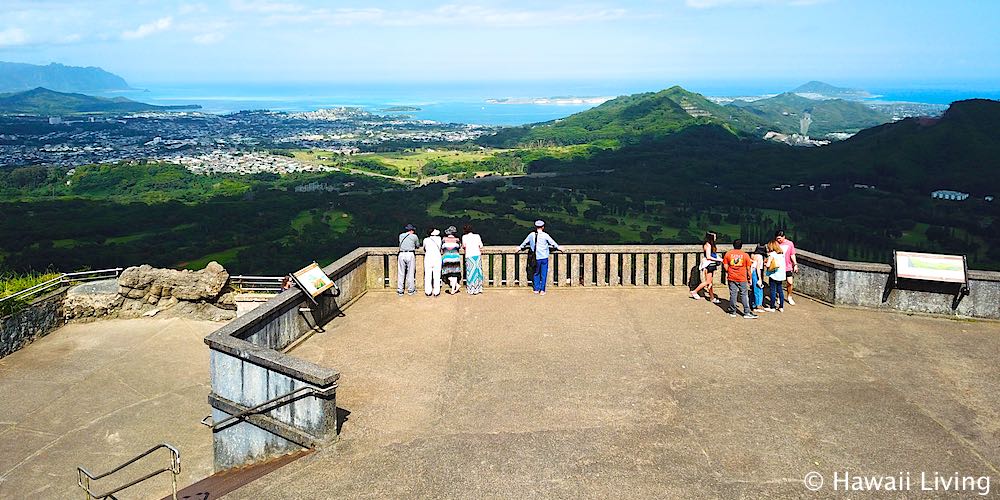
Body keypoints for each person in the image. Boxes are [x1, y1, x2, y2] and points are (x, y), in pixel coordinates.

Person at [519, 220, 561, 295]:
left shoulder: (531, 235)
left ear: (536, 227)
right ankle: (542, 290)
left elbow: (524, 243)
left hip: (535, 257)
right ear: (543, 227)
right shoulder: (545, 235)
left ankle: (536, 289)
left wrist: (519, 248)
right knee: (543, 274)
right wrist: (559, 247)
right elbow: (553, 243)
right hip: (544, 257)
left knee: (536, 273)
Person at [723, 239, 757, 319]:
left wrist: (729, 271)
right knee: (744, 294)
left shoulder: (728, 254)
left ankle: (733, 311)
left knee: (733, 294)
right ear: (741, 246)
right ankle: (746, 312)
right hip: (742, 277)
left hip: (731, 277)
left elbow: (725, 265)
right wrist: (750, 278)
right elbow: (748, 268)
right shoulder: (745, 255)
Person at [690, 232, 723, 303]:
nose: (715, 238)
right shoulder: (708, 245)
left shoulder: (710, 244)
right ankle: (694, 291)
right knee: (708, 281)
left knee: (710, 282)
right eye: (714, 236)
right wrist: (719, 259)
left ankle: (712, 297)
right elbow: (708, 257)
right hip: (709, 264)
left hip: (711, 264)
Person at [775, 230, 799, 305]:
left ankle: (789, 296)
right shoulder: (775, 244)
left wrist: (795, 264)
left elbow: (792, 254)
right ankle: (779, 297)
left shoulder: (789, 244)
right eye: (777, 238)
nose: (778, 240)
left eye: (780, 238)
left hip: (787, 266)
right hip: (778, 266)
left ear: (783, 237)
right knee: (779, 283)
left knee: (790, 282)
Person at [764, 239, 787, 312]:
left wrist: (764, 264)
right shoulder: (781, 254)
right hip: (781, 275)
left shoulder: (772, 255)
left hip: (774, 275)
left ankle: (772, 307)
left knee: (773, 290)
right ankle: (781, 307)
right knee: (780, 290)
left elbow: (768, 265)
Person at [397, 223, 420, 296]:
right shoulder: (414, 236)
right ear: (411, 230)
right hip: (410, 254)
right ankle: (411, 290)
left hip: (401, 254)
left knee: (401, 272)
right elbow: (417, 245)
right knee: (410, 272)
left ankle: (400, 290)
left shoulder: (401, 235)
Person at [461, 224, 484, 295]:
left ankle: (471, 289)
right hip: (477, 255)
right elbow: (481, 245)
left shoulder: (464, 237)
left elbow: (464, 246)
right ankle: (479, 288)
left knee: (470, 273)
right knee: (478, 272)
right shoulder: (477, 236)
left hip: (469, 256)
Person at [441, 226, 463, 294]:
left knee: (447, 273)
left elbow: (441, 247)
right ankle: (455, 286)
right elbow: (460, 247)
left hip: (446, 257)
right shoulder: (457, 240)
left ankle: (454, 288)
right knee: (454, 273)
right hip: (455, 257)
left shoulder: (444, 239)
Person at [422, 228, 443, 297]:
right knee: (437, 276)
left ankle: (428, 291)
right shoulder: (439, 239)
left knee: (428, 275)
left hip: (428, 258)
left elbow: (424, 248)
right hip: (437, 258)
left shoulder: (426, 240)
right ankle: (436, 291)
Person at [750, 243, 766, 313]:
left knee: (754, 289)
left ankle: (753, 304)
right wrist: (760, 278)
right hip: (756, 273)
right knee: (758, 289)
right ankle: (758, 305)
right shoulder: (760, 257)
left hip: (752, 272)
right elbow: (758, 268)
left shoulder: (753, 255)